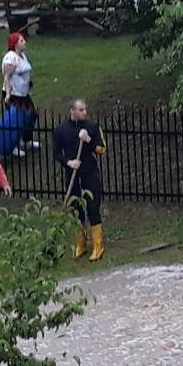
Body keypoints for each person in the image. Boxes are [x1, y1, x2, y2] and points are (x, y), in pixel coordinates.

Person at [53, 99, 107, 260]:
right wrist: (68, 162)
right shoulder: (60, 130)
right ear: (72, 111)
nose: (84, 112)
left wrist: (89, 140)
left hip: (90, 174)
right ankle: (81, 245)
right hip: (73, 176)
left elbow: (102, 149)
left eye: (85, 109)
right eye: (81, 110)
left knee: (92, 208)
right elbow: (56, 154)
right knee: (76, 211)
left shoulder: (92, 127)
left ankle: (98, 246)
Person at [0, 31, 38, 158]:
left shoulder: (22, 55)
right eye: (21, 41)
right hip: (14, 94)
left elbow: (25, 72)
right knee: (16, 121)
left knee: (31, 115)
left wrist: (28, 83)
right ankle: (13, 146)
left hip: (23, 94)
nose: (24, 42)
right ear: (15, 44)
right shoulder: (10, 58)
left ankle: (26, 140)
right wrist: (8, 95)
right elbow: (7, 77)